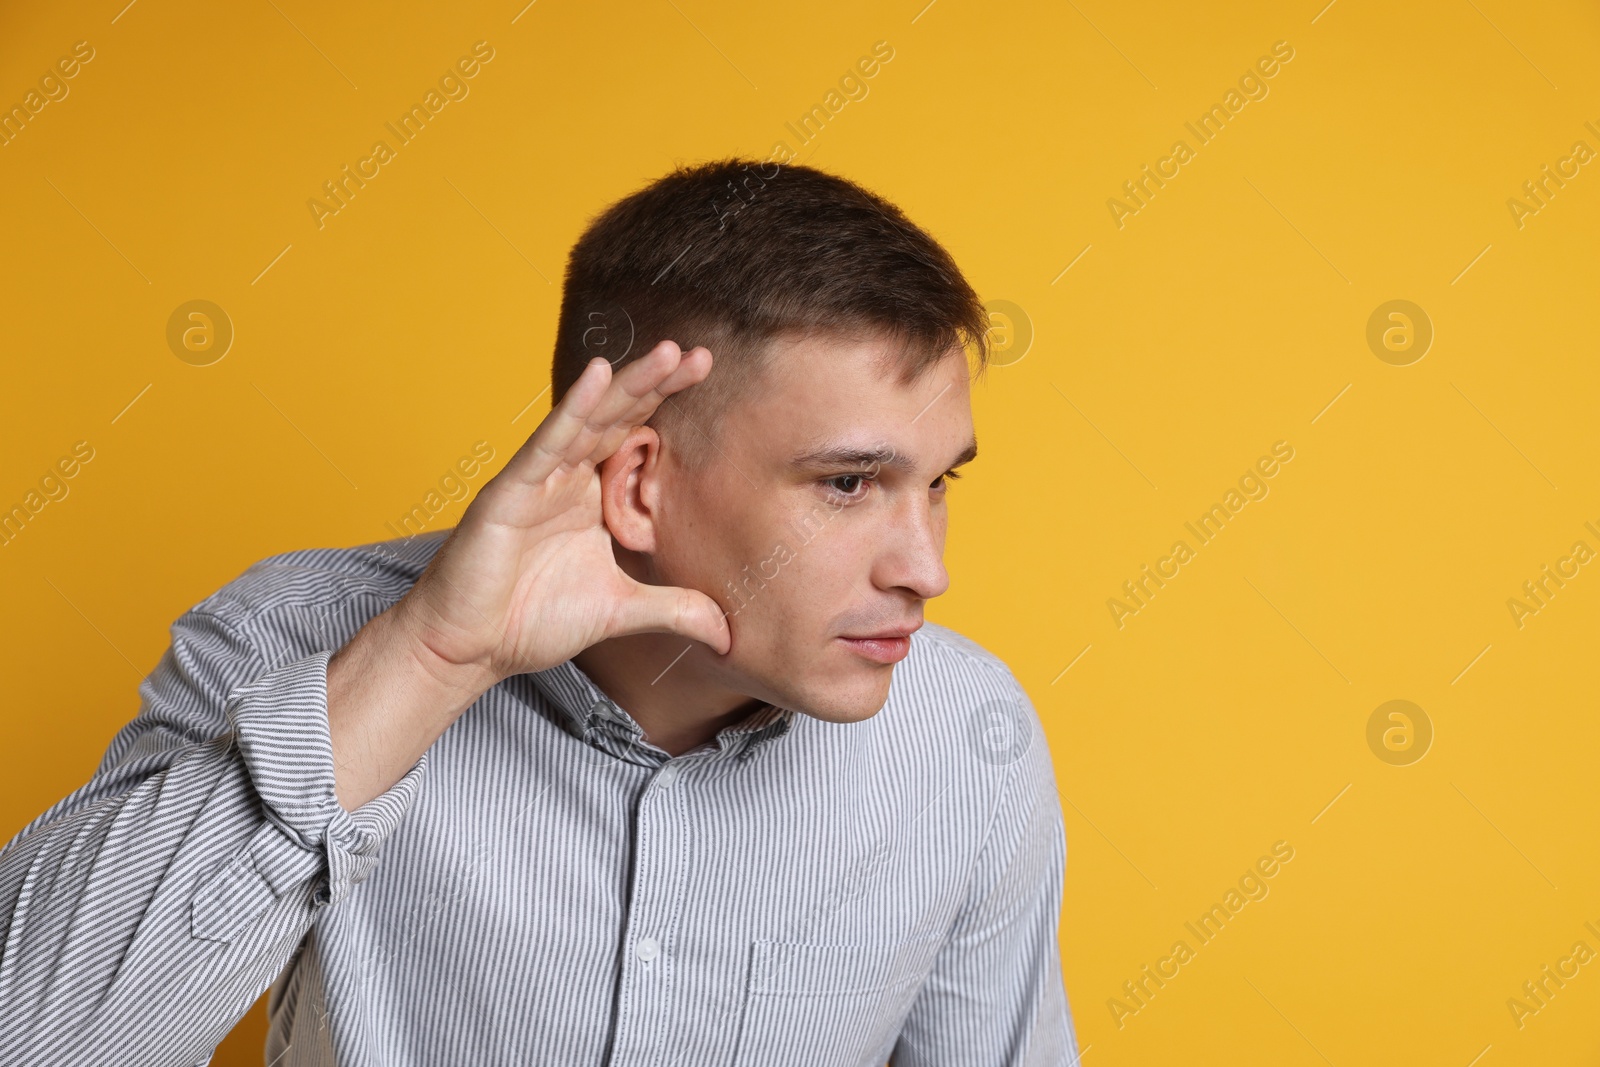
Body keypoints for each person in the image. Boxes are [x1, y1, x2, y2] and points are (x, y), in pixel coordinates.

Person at [0, 158, 1079, 1066]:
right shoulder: (294, 638)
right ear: (640, 480)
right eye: (849, 483)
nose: (925, 569)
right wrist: (427, 659)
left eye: (937, 482)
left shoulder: (965, 737)